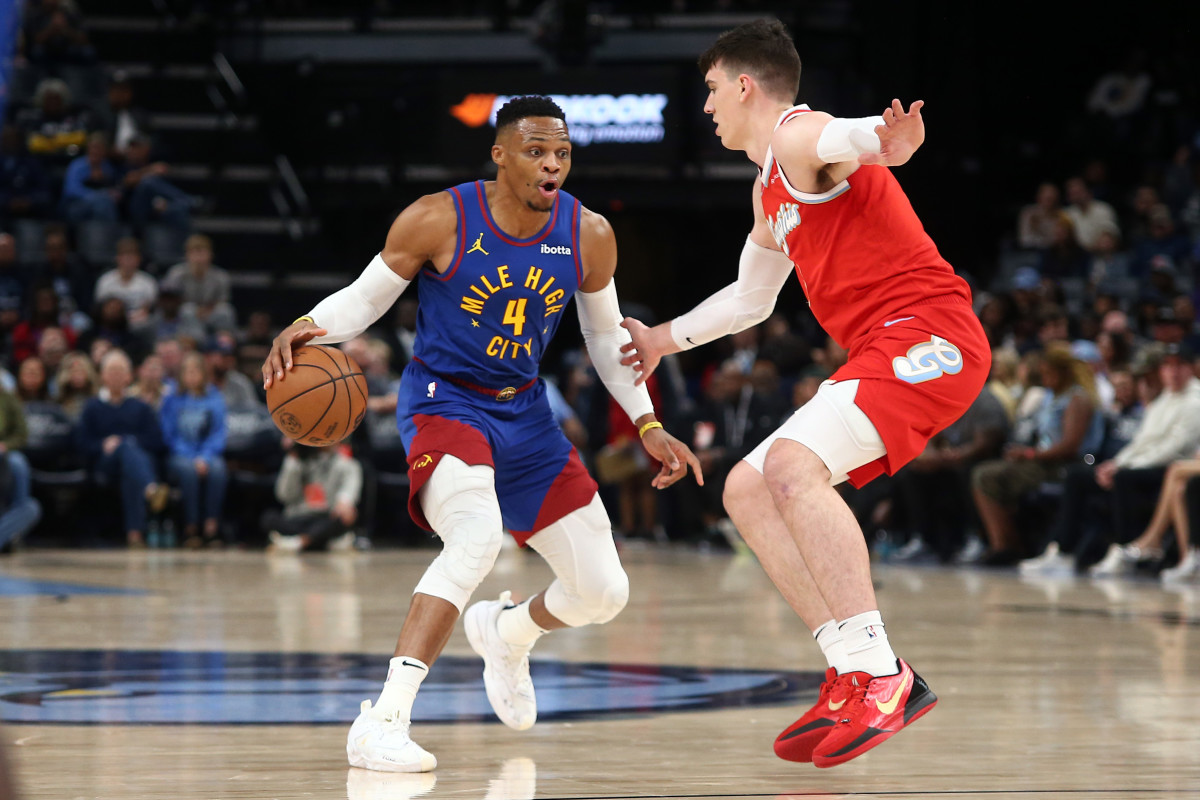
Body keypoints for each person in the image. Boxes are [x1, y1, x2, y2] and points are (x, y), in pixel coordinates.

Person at [261, 95, 701, 773]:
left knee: (603, 593)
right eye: (535, 151)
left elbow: (609, 339)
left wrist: (648, 421)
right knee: (475, 536)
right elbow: (367, 297)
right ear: (500, 155)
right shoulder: (439, 217)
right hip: (444, 403)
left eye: (561, 153)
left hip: (525, 413)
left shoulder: (590, 234)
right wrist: (308, 325)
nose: (551, 164)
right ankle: (382, 720)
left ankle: (506, 631)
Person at [619, 20, 989, 767]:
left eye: (714, 89)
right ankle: (852, 670)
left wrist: (885, 144)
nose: (709, 107)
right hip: (886, 345)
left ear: (746, 84)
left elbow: (837, 137)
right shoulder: (769, 191)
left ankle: (883, 673)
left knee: (791, 466)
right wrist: (663, 339)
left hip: (930, 338)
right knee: (747, 489)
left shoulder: (795, 137)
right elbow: (750, 302)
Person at [76, 349, 168, 547]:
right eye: (111, 370)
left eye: (120, 371)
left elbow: (157, 441)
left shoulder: (141, 407)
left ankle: (134, 535)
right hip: (104, 464)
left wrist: (129, 441)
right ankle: (151, 488)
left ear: (129, 376)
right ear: (102, 375)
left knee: (129, 462)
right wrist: (103, 444)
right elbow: (81, 444)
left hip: (133, 465)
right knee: (127, 452)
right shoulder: (92, 407)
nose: (116, 375)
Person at [160, 351, 227, 548]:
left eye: (195, 371)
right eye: (187, 371)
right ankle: (191, 528)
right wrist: (191, 457)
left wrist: (204, 457)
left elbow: (218, 433)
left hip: (207, 454)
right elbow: (169, 434)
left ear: (203, 374)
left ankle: (211, 527)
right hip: (179, 454)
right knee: (188, 472)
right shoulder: (172, 398)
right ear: (180, 374)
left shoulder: (215, 398)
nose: (191, 376)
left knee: (218, 469)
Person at [263, 438, 362, 553]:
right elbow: (284, 496)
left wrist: (344, 503)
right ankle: (322, 542)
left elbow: (347, 495)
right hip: (298, 518)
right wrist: (294, 459)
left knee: (344, 519)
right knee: (268, 517)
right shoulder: (297, 460)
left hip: (325, 517)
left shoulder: (348, 465)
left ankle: (298, 543)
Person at [0, 386, 42, 551]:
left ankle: (18, 509)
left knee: (19, 464)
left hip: (5, 450)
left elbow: (21, 434)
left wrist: (5, 446)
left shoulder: (8, 398)